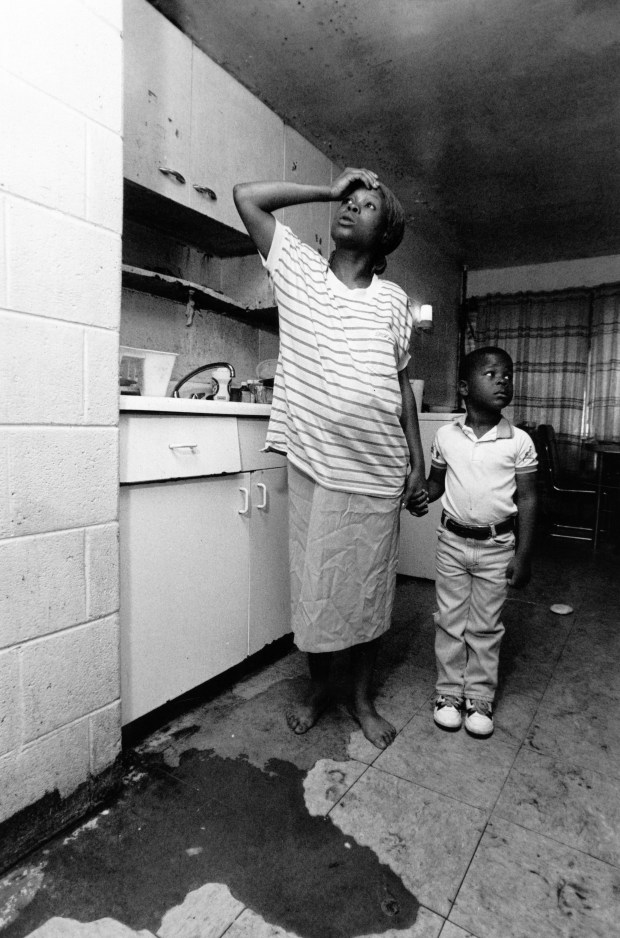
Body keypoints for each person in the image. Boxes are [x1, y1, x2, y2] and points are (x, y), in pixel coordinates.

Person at [233, 167, 428, 749]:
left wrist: (417, 464)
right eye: (348, 199)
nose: (350, 207)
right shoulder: (297, 269)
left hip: (378, 472)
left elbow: (402, 393)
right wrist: (327, 186)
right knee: (316, 590)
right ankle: (322, 690)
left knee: (368, 592)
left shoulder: (395, 302)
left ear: (385, 233)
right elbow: (248, 194)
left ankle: (361, 698)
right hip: (318, 467)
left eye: (366, 205)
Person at [418, 346, 537, 737]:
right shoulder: (445, 436)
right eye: (492, 374)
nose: (503, 380)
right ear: (465, 387)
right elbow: (437, 483)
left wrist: (523, 554)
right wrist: (422, 495)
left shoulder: (518, 441)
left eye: (508, 374)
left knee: (486, 625)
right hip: (452, 542)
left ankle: (480, 696)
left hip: (496, 545)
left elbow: (529, 499)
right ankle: (449, 693)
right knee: (450, 620)